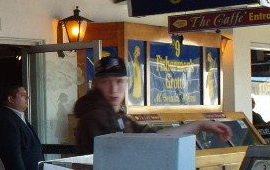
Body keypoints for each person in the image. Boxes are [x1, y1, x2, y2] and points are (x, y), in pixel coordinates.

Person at [74, 56, 231, 154]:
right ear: (95, 84)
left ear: (127, 83)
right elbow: (128, 152)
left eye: (119, 81)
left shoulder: (117, 115)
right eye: (105, 82)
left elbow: (153, 137)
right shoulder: (95, 116)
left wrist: (200, 125)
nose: (113, 89)